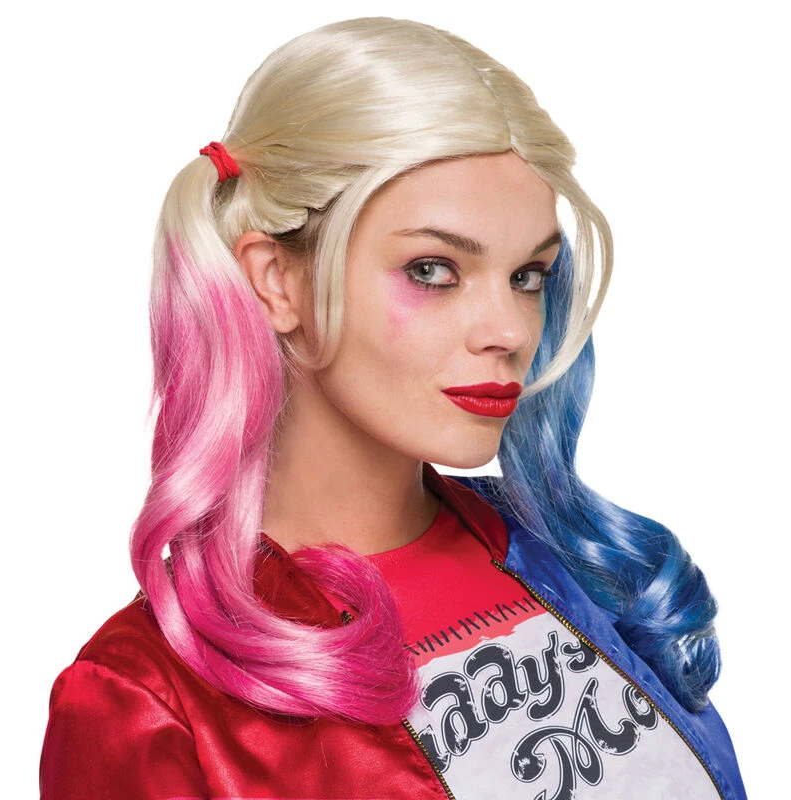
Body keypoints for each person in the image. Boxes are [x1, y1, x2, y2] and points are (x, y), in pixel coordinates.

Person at [39, 17, 746, 800]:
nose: (510, 331)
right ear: (277, 281)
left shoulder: (582, 562)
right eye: (434, 269)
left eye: (528, 276)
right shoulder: (146, 700)